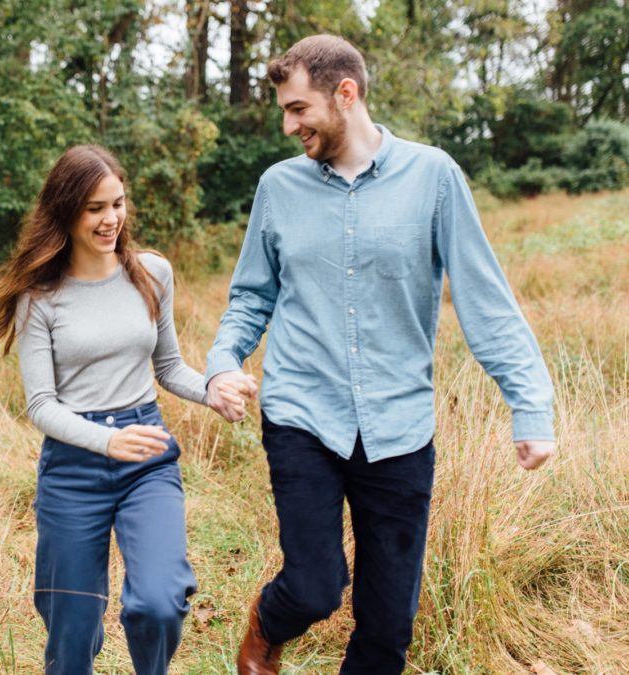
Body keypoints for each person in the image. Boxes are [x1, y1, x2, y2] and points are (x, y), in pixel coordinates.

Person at [202, 35, 557, 674]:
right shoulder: (278, 188)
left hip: (399, 423)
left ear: (347, 93)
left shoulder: (435, 177)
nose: (289, 126)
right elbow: (250, 297)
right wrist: (223, 363)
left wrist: (529, 406)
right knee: (314, 587)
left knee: (388, 626)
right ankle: (266, 625)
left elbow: (486, 299)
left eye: (299, 109)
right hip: (302, 413)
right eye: (285, 110)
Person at [0, 144, 256, 674]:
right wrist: (104, 440)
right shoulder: (40, 296)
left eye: (118, 204)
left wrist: (213, 391)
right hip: (72, 464)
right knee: (70, 634)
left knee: (158, 602)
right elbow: (40, 404)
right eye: (95, 208)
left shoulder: (152, 273)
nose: (111, 220)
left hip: (145, 448)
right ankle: (79, 639)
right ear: (66, 211)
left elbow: (169, 368)